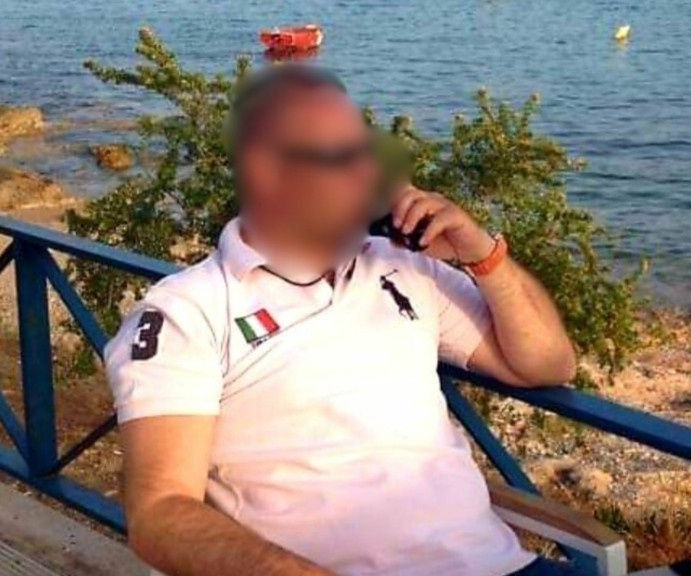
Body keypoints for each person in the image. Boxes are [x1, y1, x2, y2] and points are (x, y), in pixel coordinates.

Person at [105, 65, 577, 576]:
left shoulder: (405, 268)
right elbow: (160, 512)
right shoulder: (188, 311)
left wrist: (482, 254)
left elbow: (548, 365)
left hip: (499, 566)